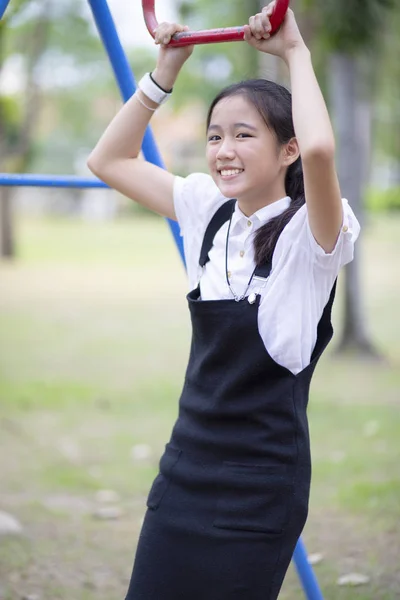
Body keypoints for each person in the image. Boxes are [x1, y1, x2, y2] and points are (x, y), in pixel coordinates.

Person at [88, 3, 360, 598]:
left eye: (243, 135)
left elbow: (320, 152)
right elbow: (107, 160)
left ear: (285, 150)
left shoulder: (310, 235)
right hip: (183, 473)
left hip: (258, 491)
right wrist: (165, 72)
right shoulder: (208, 211)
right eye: (214, 136)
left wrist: (295, 52)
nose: (223, 150)